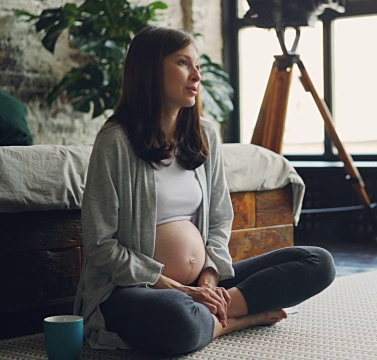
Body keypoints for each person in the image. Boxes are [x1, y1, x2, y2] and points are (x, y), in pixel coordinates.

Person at [74, 26, 336, 357]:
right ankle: (235, 319)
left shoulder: (204, 135)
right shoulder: (116, 141)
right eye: (183, 63)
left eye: (196, 64)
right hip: (135, 289)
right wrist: (179, 289)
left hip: (204, 283)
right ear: (151, 70)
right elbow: (100, 245)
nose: (196, 74)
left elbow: (219, 219)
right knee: (178, 319)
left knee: (317, 262)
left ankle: (218, 311)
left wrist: (209, 279)